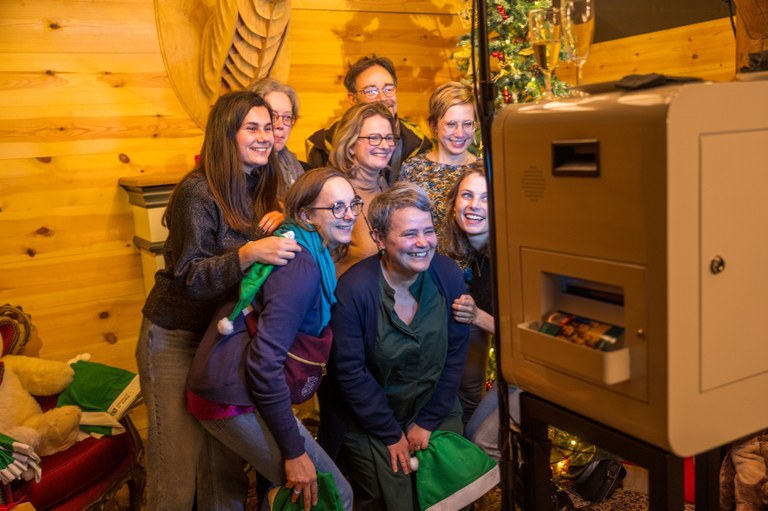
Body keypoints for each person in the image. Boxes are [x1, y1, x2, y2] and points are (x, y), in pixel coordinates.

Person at [136, 90, 302, 510]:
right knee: (176, 470)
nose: (265, 136)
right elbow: (190, 277)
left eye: (268, 127)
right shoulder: (197, 192)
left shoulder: (261, 184)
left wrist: (286, 219)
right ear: (226, 134)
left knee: (225, 466)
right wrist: (248, 253)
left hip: (222, 340)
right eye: (252, 128)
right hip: (175, 338)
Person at [187, 168, 358, 511]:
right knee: (334, 494)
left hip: (231, 383)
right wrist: (294, 451)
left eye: (354, 204)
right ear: (306, 216)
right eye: (336, 207)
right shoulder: (299, 267)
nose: (350, 215)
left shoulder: (303, 246)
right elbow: (265, 363)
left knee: (285, 493)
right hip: (231, 395)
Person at [319, 182, 470, 510]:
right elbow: (350, 373)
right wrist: (390, 433)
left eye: (428, 231)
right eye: (409, 234)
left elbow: (456, 354)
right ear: (379, 238)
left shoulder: (447, 275)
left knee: (449, 491)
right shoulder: (354, 291)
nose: (423, 243)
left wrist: (428, 420)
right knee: (392, 498)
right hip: (370, 416)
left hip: (435, 405)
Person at [305, 54, 432, 182]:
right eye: (371, 91)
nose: (382, 98)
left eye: (388, 89)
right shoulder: (325, 143)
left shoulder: (417, 144)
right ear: (353, 99)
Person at [398, 81, 478, 251]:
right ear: (433, 125)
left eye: (467, 124)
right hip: (425, 263)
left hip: (476, 265)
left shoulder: (483, 170)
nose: (460, 133)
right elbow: (401, 226)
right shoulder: (412, 169)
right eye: (451, 124)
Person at [328, 102, 396, 276]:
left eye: (389, 138)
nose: (385, 145)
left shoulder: (382, 184)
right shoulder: (332, 193)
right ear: (350, 146)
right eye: (374, 138)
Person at [249, 78, 307, 199]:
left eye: (287, 117)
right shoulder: (247, 170)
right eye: (272, 115)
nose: (280, 125)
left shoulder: (293, 164)